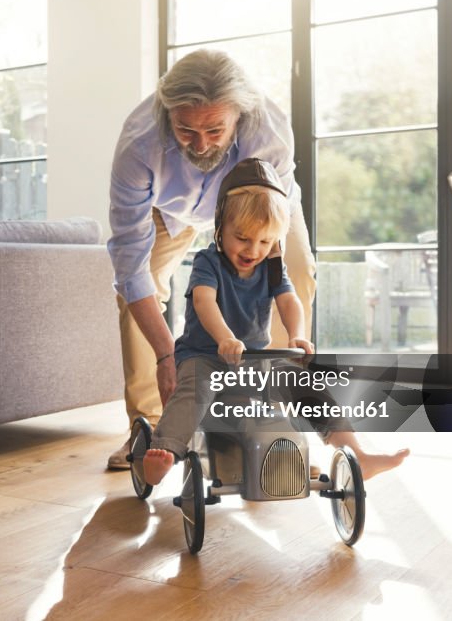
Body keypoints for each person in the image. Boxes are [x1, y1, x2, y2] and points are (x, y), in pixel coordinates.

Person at [142, 158, 409, 485]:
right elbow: (204, 301)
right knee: (194, 390)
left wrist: (297, 335)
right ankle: (166, 449)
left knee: (305, 387)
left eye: (265, 242)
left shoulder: (270, 266)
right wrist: (224, 337)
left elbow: (289, 300)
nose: (253, 249)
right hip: (204, 357)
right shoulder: (208, 261)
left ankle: (356, 454)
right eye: (242, 237)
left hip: (254, 360)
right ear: (220, 226)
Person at [106, 48, 313, 469]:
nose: (201, 145)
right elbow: (129, 265)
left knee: (298, 273)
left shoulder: (268, 132)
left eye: (215, 131)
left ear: (239, 116)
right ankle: (151, 427)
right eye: (186, 130)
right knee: (135, 292)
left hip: (255, 209)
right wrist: (169, 357)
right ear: (168, 114)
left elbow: (272, 232)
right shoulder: (138, 145)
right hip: (170, 210)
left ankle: (267, 430)